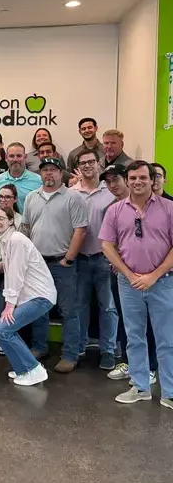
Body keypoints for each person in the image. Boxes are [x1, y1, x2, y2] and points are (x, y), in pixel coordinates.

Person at [99, 160, 173, 409]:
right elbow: (107, 246)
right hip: (128, 284)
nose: (138, 182)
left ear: (152, 180)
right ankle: (140, 387)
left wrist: (153, 275)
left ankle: (169, 392)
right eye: (133, 178)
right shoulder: (115, 211)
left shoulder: (169, 209)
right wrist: (130, 275)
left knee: (166, 339)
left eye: (143, 178)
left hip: (162, 282)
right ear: (127, 181)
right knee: (134, 337)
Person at [22, 157, 89, 373]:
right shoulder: (32, 197)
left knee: (68, 310)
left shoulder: (73, 197)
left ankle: (70, 355)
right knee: (39, 309)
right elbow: (25, 227)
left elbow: (81, 230)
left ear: (62, 173)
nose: (48, 174)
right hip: (37, 263)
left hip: (62, 263)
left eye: (53, 170)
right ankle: (40, 347)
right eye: (45, 170)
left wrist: (68, 258)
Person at [100, 164, 158, 384]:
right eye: (108, 182)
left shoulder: (156, 205)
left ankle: (150, 367)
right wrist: (122, 267)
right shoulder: (112, 210)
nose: (113, 185)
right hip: (123, 276)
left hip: (153, 276)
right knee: (127, 320)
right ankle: (129, 362)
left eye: (116, 179)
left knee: (151, 322)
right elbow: (108, 244)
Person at [0, 206, 57, 386]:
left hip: (40, 296)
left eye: (0, 218)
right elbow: (8, 266)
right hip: (32, 296)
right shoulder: (6, 240)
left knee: (1, 330)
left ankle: (34, 369)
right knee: (6, 330)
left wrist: (9, 305)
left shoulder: (16, 240)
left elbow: (15, 274)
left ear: (11, 221)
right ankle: (23, 370)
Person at [70, 149, 118, 370]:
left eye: (91, 161)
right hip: (78, 259)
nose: (88, 166)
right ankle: (79, 347)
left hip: (104, 259)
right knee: (79, 305)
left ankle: (107, 350)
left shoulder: (111, 192)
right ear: (78, 167)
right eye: (83, 163)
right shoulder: (71, 193)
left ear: (98, 164)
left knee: (107, 307)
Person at [0, 143, 42, 212]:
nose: (15, 159)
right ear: (6, 158)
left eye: (19, 156)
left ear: (25, 157)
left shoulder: (39, 181)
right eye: (11, 156)